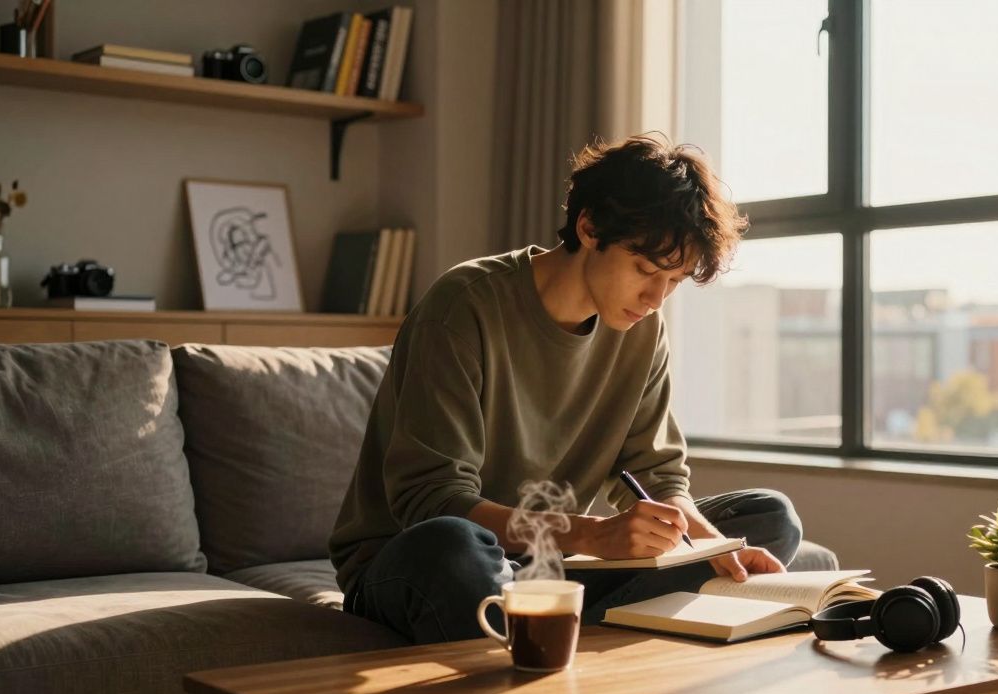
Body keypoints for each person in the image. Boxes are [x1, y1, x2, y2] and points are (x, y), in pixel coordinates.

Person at [329, 134, 803, 644]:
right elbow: (431, 500)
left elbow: (658, 475)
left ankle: (552, 623)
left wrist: (710, 547)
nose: (655, 298)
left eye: (675, 281)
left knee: (769, 515)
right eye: (646, 270)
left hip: (554, 563)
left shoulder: (641, 328)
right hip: (419, 559)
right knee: (457, 549)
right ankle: (572, 623)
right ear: (589, 227)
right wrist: (595, 535)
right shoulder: (463, 308)